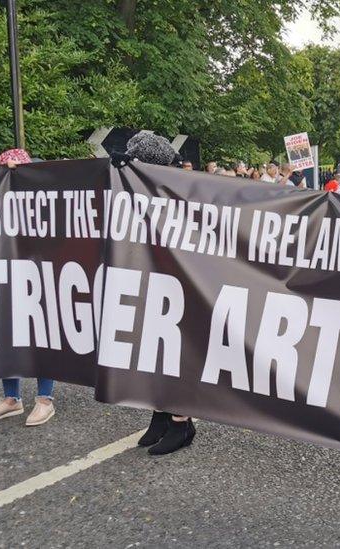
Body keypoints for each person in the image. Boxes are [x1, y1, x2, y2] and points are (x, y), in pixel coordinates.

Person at [121, 132, 197, 455]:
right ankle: (160, 413)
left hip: (175, 282)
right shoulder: (141, 190)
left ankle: (182, 422)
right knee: (151, 349)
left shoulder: (179, 189)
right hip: (149, 277)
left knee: (174, 350)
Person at [0, 149, 57, 426]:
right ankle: (11, 398)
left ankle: (45, 399)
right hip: (6, 273)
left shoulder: (44, 196)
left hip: (39, 274)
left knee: (42, 335)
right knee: (6, 335)